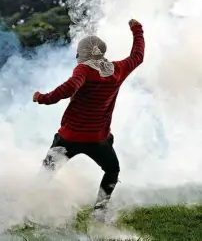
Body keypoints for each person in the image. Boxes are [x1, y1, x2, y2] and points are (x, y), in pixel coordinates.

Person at [33, 19, 145, 222]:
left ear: (84, 53)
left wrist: (42, 98)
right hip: (97, 139)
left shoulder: (84, 70)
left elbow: (68, 89)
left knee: (47, 171)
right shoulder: (119, 69)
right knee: (112, 169)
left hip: (69, 137)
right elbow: (137, 56)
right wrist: (137, 30)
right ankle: (100, 211)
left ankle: (29, 205)